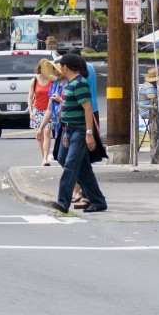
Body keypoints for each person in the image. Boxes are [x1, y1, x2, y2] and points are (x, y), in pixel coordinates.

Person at [52, 52, 107, 214]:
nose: (59, 69)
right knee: (71, 163)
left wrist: (89, 133)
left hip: (80, 130)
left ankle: (63, 201)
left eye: (60, 66)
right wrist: (65, 132)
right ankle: (97, 200)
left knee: (70, 165)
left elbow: (88, 108)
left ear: (65, 67)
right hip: (69, 130)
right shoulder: (70, 83)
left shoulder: (79, 83)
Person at [28, 59, 57, 166]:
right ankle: (43, 157)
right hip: (37, 110)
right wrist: (31, 111)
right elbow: (30, 97)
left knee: (47, 132)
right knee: (40, 135)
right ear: (39, 68)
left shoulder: (53, 80)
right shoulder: (34, 81)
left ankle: (45, 158)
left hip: (49, 111)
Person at [40, 64, 67, 165]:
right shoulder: (54, 85)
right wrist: (41, 127)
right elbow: (49, 109)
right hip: (58, 123)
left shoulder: (71, 84)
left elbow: (75, 105)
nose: (56, 71)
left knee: (65, 155)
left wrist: (60, 100)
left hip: (69, 123)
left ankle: (74, 178)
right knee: (61, 155)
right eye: (54, 69)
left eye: (58, 69)